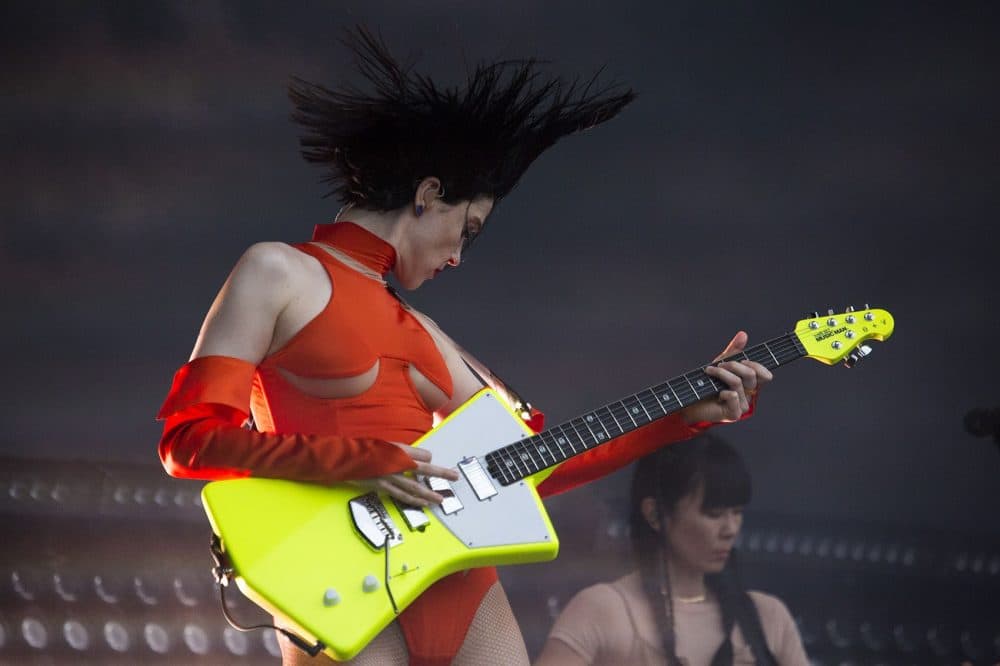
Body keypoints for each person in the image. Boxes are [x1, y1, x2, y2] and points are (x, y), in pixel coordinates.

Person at [155, 27, 773, 666]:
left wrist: (683, 418)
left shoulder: (427, 335)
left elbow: (537, 462)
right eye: (466, 230)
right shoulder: (277, 272)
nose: (458, 256)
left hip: (461, 586)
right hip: (336, 580)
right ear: (427, 195)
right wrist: (361, 459)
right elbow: (188, 441)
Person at [535, 435, 808, 666]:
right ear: (654, 514)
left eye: (737, 513)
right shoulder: (602, 610)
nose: (730, 528)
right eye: (713, 513)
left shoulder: (767, 616)